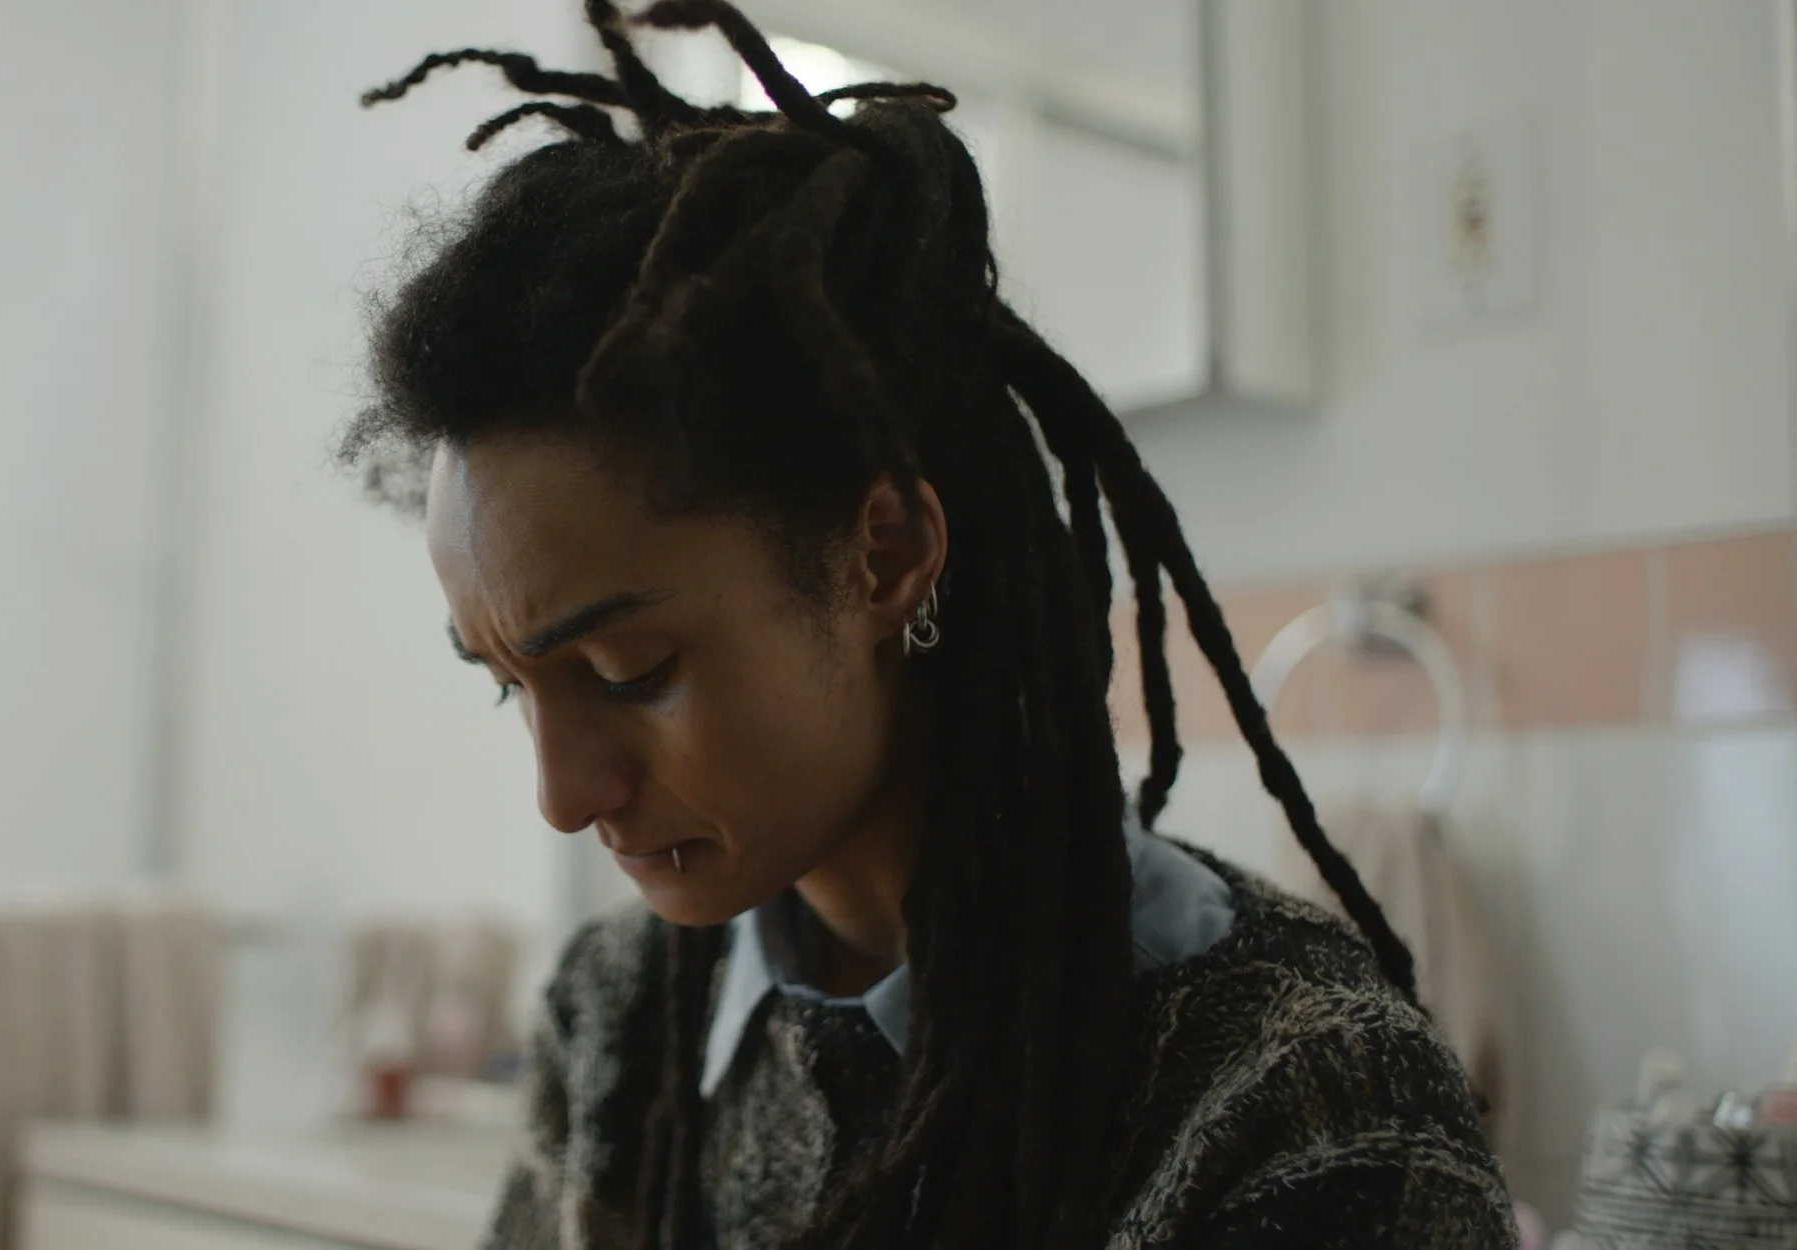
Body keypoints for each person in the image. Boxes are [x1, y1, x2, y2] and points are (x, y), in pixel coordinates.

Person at [341, 3, 1514, 1246]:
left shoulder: (1293, 1099)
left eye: (631, 668)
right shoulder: (617, 1015)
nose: (563, 794)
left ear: (885, 553)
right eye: (509, 685)